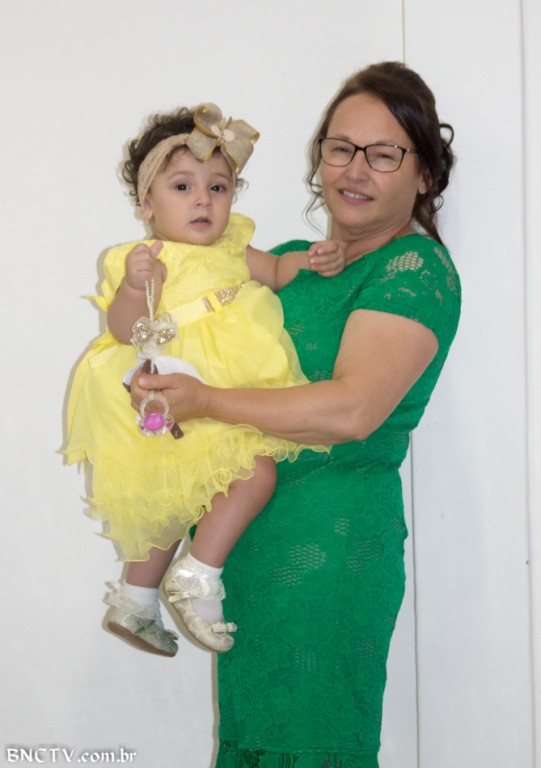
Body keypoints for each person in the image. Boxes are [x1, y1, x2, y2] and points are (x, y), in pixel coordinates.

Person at [130, 61, 461, 767]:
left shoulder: (412, 270)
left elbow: (351, 409)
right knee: (253, 747)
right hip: (242, 560)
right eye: (340, 147)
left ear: (424, 176)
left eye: (384, 154)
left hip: (328, 556)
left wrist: (205, 400)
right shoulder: (284, 264)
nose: (354, 170)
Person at [65, 103, 344, 658]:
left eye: (218, 187)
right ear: (147, 204)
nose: (203, 200)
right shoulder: (143, 258)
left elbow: (277, 271)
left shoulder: (234, 249)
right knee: (243, 476)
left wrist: (311, 261)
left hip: (216, 396)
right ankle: (197, 575)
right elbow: (123, 330)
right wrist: (134, 287)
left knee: (183, 495)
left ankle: (135, 600)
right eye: (183, 187)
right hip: (167, 392)